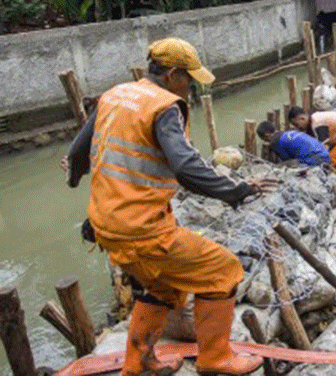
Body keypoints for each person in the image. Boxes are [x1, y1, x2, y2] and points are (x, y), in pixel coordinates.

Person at [65, 38, 270, 376]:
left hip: (105, 226)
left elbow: (76, 155)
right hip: (143, 230)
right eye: (188, 79)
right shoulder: (164, 106)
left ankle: (139, 363)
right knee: (224, 270)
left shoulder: (114, 96)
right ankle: (215, 358)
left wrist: (74, 181)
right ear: (173, 74)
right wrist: (236, 192)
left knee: (163, 287)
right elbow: (187, 167)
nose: (189, 87)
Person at [289, 107, 336, 207]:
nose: (297, 128)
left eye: (296, 124)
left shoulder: (318, 124)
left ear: (302, 119)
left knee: (329, 163)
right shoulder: (314, 121)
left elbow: (321, 150)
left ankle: (332, 195)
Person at [256, 121, 331, 166]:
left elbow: (287, 160)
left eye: (264, 139)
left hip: (317, 159)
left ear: (266, 135)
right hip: (325, 154)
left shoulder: (275, 141)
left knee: (283, 166)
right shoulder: (288, 133)